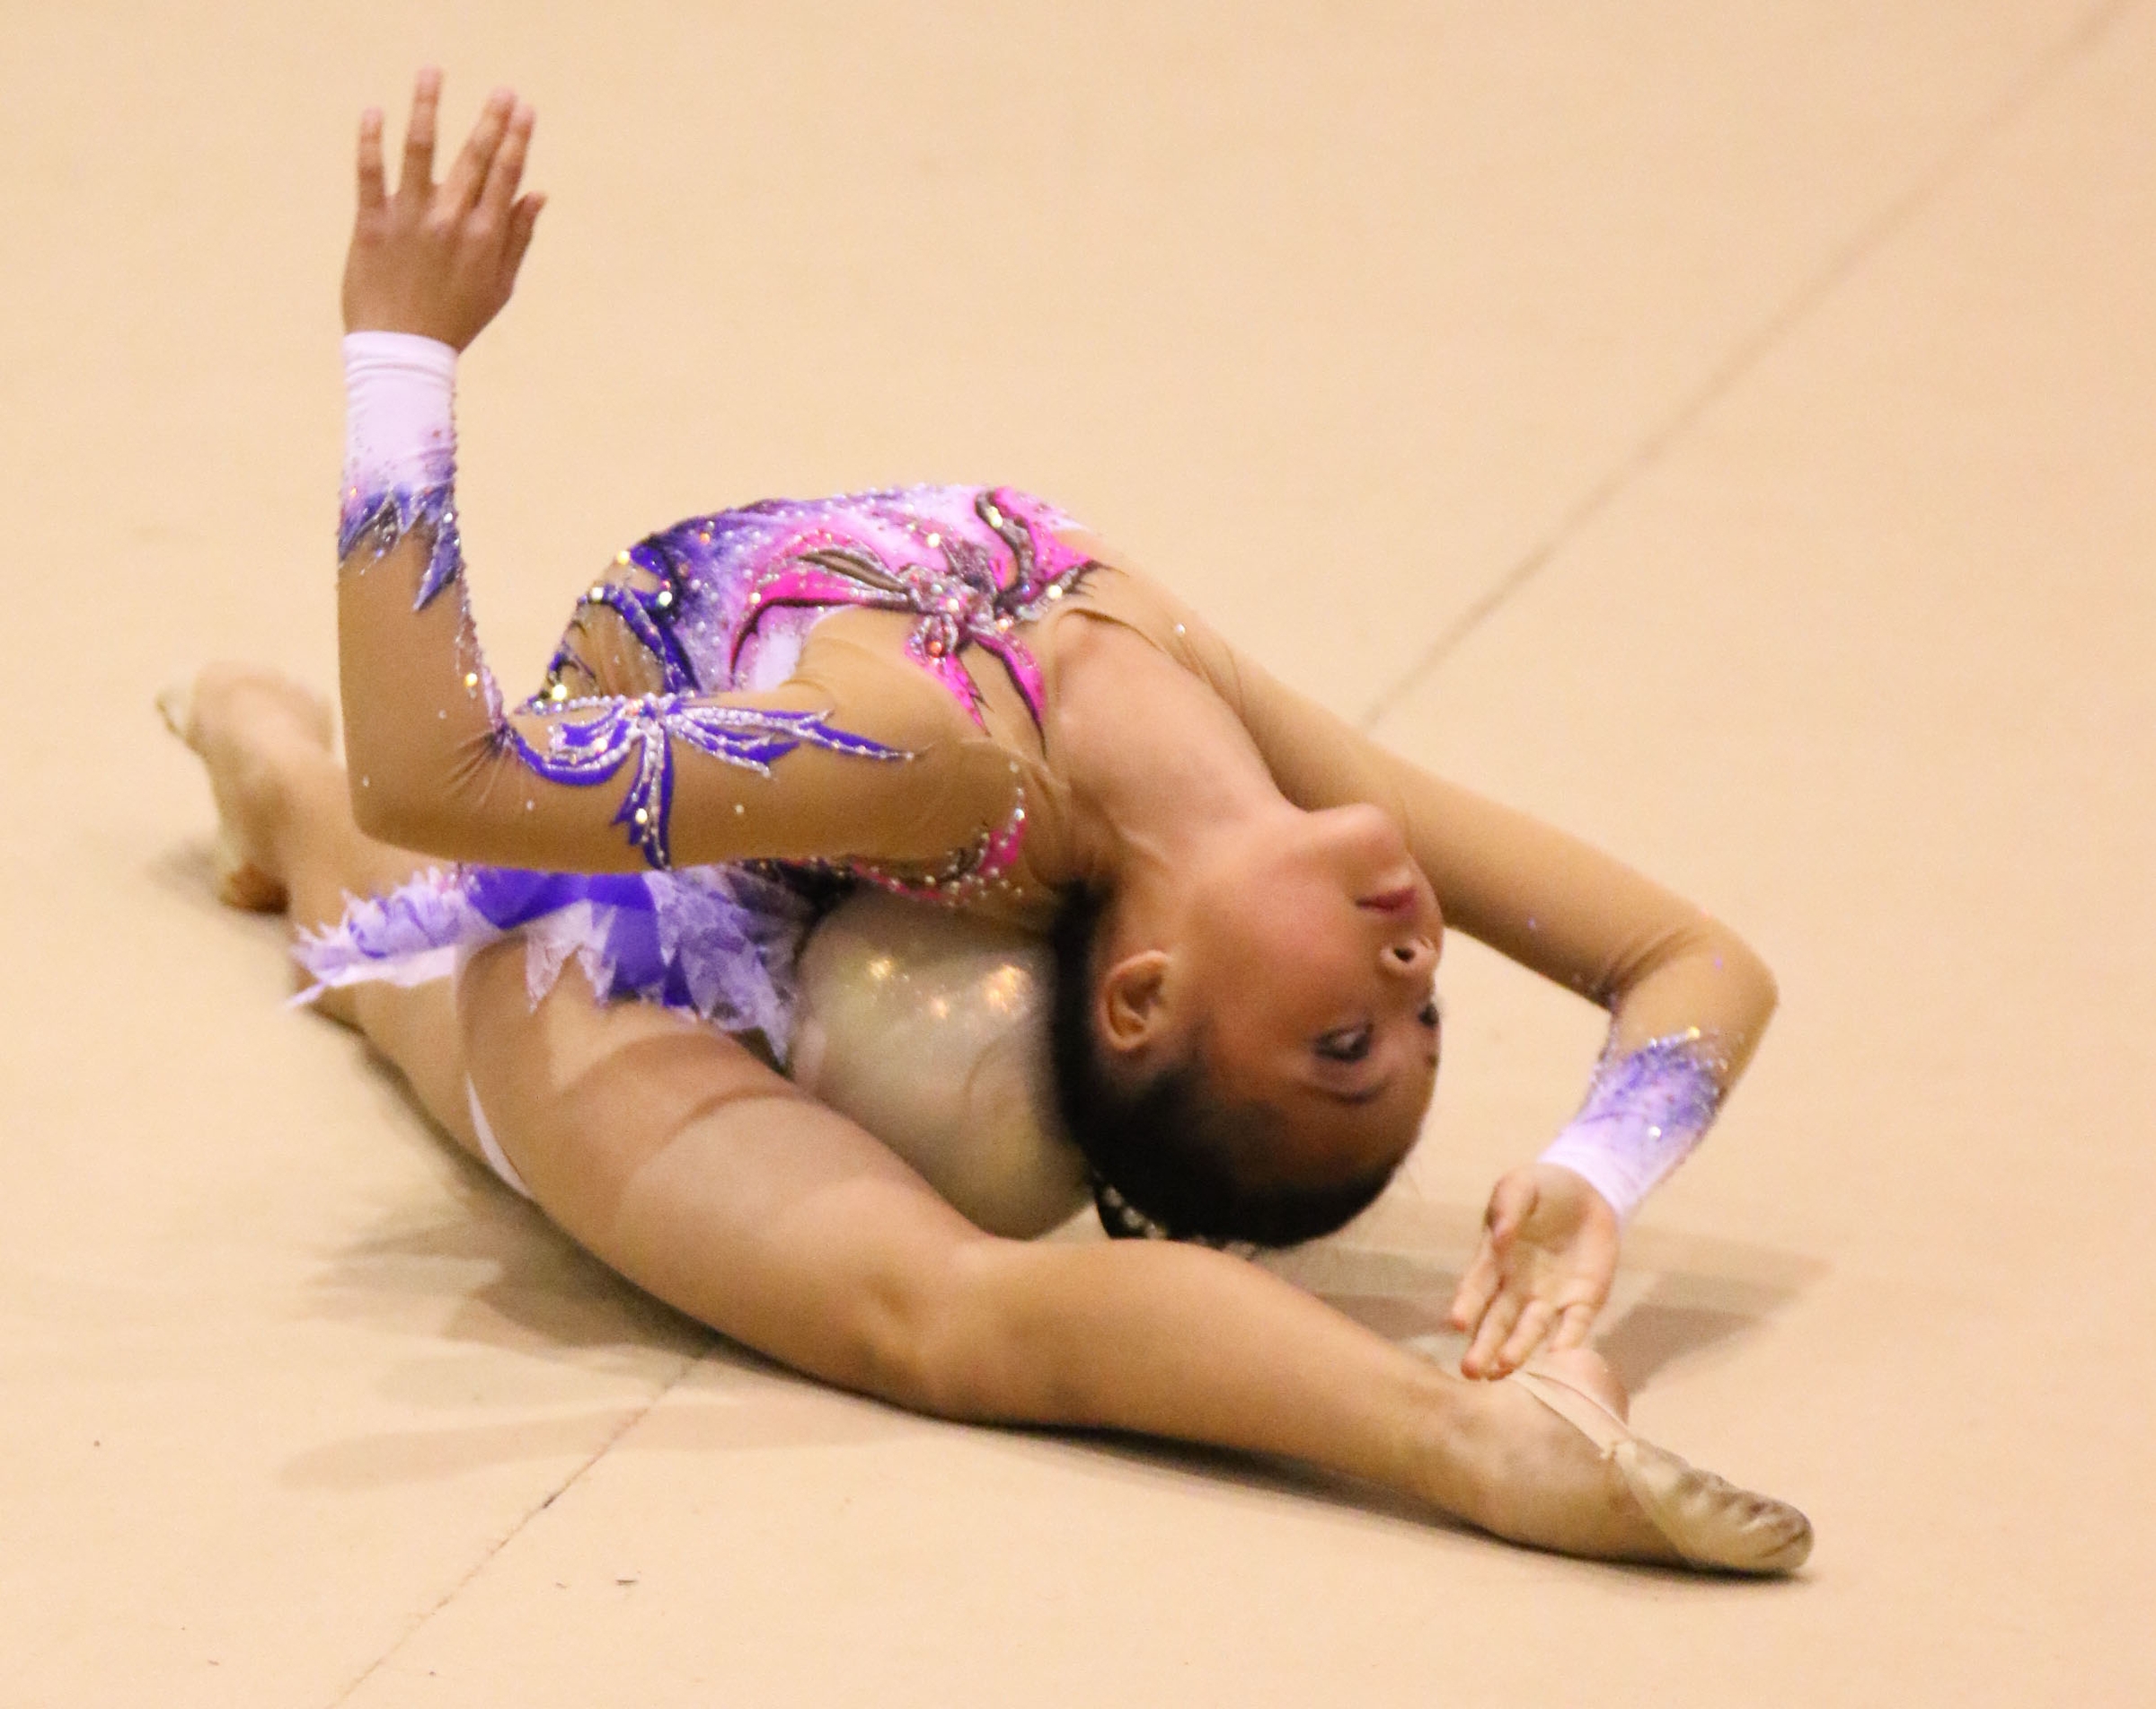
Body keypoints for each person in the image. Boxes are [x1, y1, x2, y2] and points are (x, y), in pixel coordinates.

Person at [163, 69, 1811, 1572]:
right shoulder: (1218, 737)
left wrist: (400, 350)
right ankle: (267, 765)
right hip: (728, 862)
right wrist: (1602, 1161)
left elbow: (442, 777)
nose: (1408, 962)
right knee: (376, 914)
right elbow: (1691, 959)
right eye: (1423, 1012)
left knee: (918, 1300)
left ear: (1146, 990)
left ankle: (1474, 1443)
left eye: (1341, 1039)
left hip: (609, 947)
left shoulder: (933, 759)